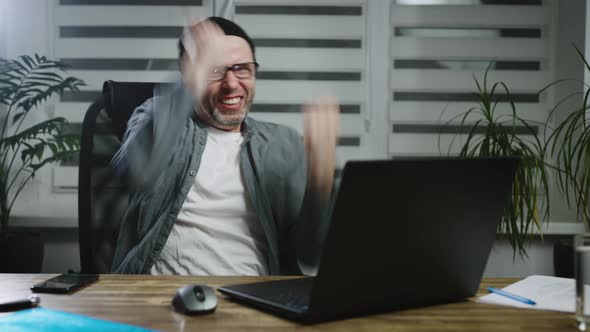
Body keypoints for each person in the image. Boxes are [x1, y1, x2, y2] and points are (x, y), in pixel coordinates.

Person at [110, 17, 340, 276]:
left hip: (251, 298)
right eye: (215, 71)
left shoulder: (284, 144)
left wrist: (321, 181)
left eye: (242, 68)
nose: (232, 84)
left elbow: (309, 253)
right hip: (158, 297)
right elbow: (134, 173)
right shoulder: (159, 116)